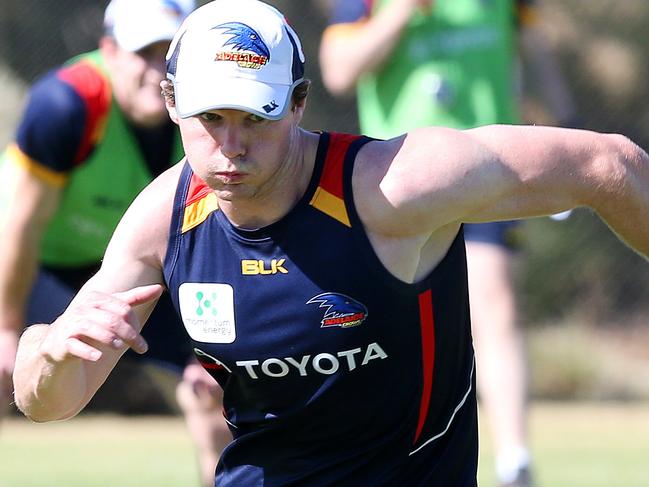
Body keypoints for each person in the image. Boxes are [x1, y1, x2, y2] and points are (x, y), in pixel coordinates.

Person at [11, 0, 649, 485]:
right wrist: (52, 353)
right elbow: (47, 402)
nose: (231, 146)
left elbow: (610, 166)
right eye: (211, 119)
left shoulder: (394, 187)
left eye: (255, 118)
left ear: (297, 104)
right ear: (174, 104)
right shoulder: (162, 218)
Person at [318, 2, 579, 485]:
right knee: (385, 325)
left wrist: (568, 126)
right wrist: (397, 15)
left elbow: (535, 49)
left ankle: (514, 460)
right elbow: (337, 71)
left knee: (495, 304)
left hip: (490, 176)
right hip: (396, 185)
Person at [0, 1, 230, 485]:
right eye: (142, 51)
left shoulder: (211, 111)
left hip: (142, 268)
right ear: (108, 51)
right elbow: (18, 226)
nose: (155, 69)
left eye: (169, 53)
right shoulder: (66, 106)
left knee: (211, 385)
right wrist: (6, 327)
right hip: (38, 266)